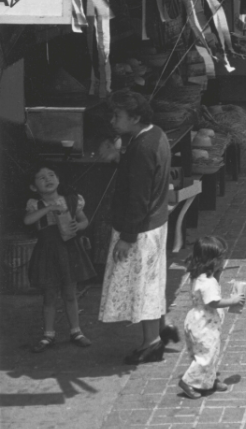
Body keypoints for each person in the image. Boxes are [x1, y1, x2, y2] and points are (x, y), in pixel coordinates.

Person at [99, 89, 179, 364]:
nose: (112, 121)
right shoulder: (154, 134)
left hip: (141, 229)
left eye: (117, 116)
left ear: (134, 117)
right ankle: (153, 337)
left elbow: (138, 197)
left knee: (143, 287)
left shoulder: (143, 147)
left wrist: (127, 237)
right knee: (151, 285)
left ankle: (151, 342)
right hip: (154, 223)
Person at [24, 164, 97, 352]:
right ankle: (48, 334)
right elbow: (28, 220)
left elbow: (84, 220)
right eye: (41, 177)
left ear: (58, 179)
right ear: (33, 187)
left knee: (70, 292)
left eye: (51, 175)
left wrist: (79, 227)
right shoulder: (35, 204)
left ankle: (76, 331)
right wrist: (48, 209)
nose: (48, 179)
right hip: (47, 252)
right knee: (49, 294)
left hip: (68, 250)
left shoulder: (71, 200)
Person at [178, 236, 246, 399]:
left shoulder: (199, 275)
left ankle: (208, 380)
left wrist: (218, 273)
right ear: (211, 260)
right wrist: (233, 300)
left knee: (207, 352)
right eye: (220, 259)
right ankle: (188, 382)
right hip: (204, 324)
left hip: (197, 320)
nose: (223, 262)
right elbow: (213, 302)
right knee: (206, 354)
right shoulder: (207, 282)